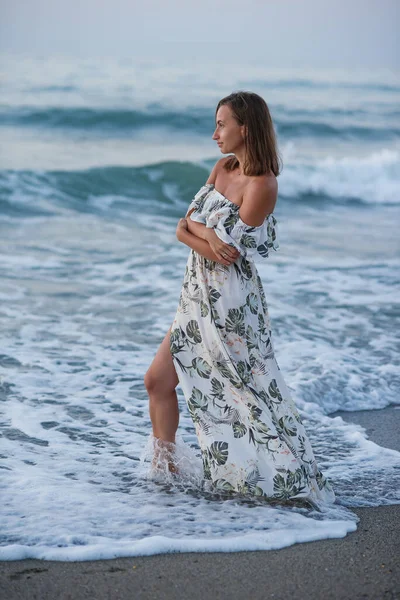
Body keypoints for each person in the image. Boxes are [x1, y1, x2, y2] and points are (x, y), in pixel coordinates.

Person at [144, 91, 336, 507]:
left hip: (231, 306)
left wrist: (200, 234)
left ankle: (285, 477)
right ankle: (166, 473)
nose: (215, 134)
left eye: (221, 124)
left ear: (244, 129)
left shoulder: (263, 185)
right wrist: (206, 234)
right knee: (157, 381)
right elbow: (184, 226)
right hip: (195, 296)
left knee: (246, 393)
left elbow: (224, 251)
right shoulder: (222, 167)